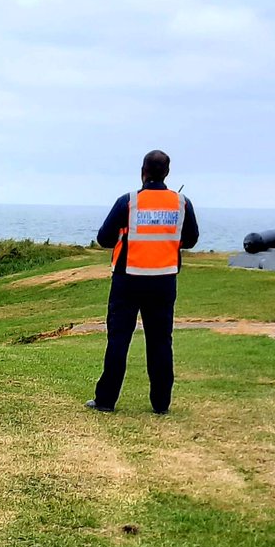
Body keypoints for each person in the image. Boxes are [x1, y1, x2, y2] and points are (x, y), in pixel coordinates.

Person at [87, 150, 199, 414]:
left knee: (118, 340)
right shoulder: (182, 203)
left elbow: (104, 238)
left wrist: (125, 233)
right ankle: (161, 404)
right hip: (163, 279)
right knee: (161, 341)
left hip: (128, 279)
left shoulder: (129, 202)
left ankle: (106, 400)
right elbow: (191, 239)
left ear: (143, 171)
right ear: (167, 173)